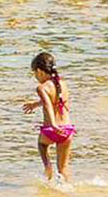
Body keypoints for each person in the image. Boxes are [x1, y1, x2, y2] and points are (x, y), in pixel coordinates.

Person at [23, 51, 74, 183]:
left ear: (39, 71)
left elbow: (48, 105)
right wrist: (35, 104)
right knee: (63, 168)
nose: (35, 76)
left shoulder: (41, 88)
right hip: (67, 130)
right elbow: (55, 100)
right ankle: (66, 190)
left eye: (34, 73)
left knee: (42, 145)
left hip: (51, 130)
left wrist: (53, 125)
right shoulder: (62, 83)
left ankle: (48, 167)